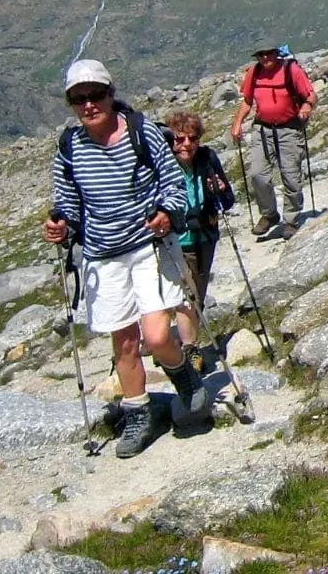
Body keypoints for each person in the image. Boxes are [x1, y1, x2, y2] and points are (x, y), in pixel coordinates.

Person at [43, 59, 208, 458]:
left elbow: (171, 178)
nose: (87, 105)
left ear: (110, 94)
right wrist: (61, 224)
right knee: (125, 343)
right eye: (78, 99)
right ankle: (139, 414)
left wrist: (168, 211)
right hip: (102, 255)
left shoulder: (141, 131)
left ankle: (182, 373)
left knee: (154, 336)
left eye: (95, 95)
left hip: (148, 246)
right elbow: (67, 200)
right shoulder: (69, 146)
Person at [162, 110, 234, 366]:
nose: (187, 145)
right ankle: (189, 348)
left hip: (205, 236)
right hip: (175, 241)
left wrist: (221, 191)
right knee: (187, 296)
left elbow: (228, 201)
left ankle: (175, 344)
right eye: (180, 139)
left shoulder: (207, 158)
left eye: (192, 139)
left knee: (197, 294)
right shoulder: (163, 164)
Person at [231, 45, 316, 240]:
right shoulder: (255, 72)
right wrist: (237, 123)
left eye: (268, 53)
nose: (265, 57)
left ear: (276, 53)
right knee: (257, 175)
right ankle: (269, 214)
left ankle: (291, 220)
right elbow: (247, 100)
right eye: (260, 54)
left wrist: (306, 106)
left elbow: (311, 95)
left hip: (289, 128)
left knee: (291, 175)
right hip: (263, 128)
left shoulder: (291, 70)